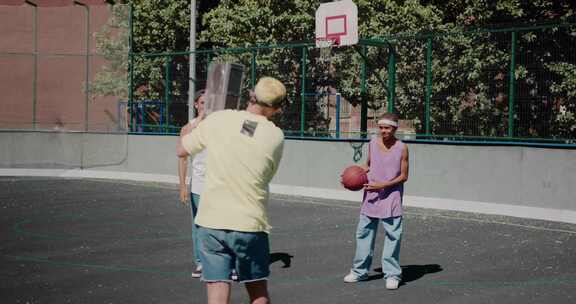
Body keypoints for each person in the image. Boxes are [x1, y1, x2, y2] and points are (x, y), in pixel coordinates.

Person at [176, 77, 286, 304]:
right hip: (249, 223)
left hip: (212, 221)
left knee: (216, 294)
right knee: (258, 292)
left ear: (251, 95)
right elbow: (250, 140)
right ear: (276, 108)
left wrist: (202, 122)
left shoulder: (219, 120)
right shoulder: (275, 136)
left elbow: (181, 149)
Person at [343, 113, 409, 290]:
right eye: (380, 127)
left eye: (387, 128)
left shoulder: (402, 148)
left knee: (393, 236)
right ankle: (359, 272)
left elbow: (404, 176)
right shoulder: (372, 143)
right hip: (371, 195)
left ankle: (393, 274)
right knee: (364, 234)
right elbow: (368, 165)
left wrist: (383, 185)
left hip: (391, 196)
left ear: (395, 128)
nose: (383, 131)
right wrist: (350, 176)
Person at [178, 90, 207, 278]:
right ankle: (200, 262)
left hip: (218, 185)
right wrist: (182, 186)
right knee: (198, 225)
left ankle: (224, 261)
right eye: (202, 103)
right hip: (198, 184)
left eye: (209, 103)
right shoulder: (188, 128)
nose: (206, 106)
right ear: (196, 105)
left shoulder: (218, 126)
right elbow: (182, 159)